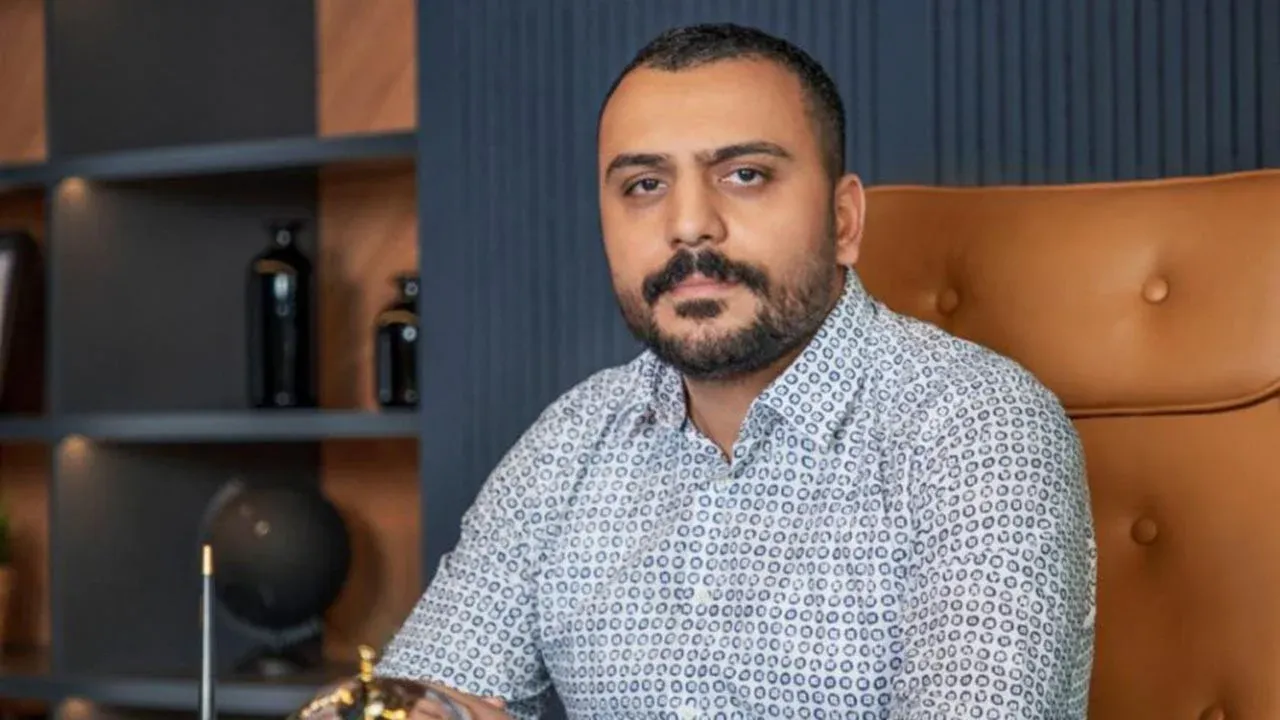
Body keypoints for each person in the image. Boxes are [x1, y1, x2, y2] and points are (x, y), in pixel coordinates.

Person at [364, 22, 1097, 720]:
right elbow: (421, 698)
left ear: (844, 221)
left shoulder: (980, 428)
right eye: (644, 185)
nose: (689, 225)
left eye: (745, 174)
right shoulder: (570, 442)